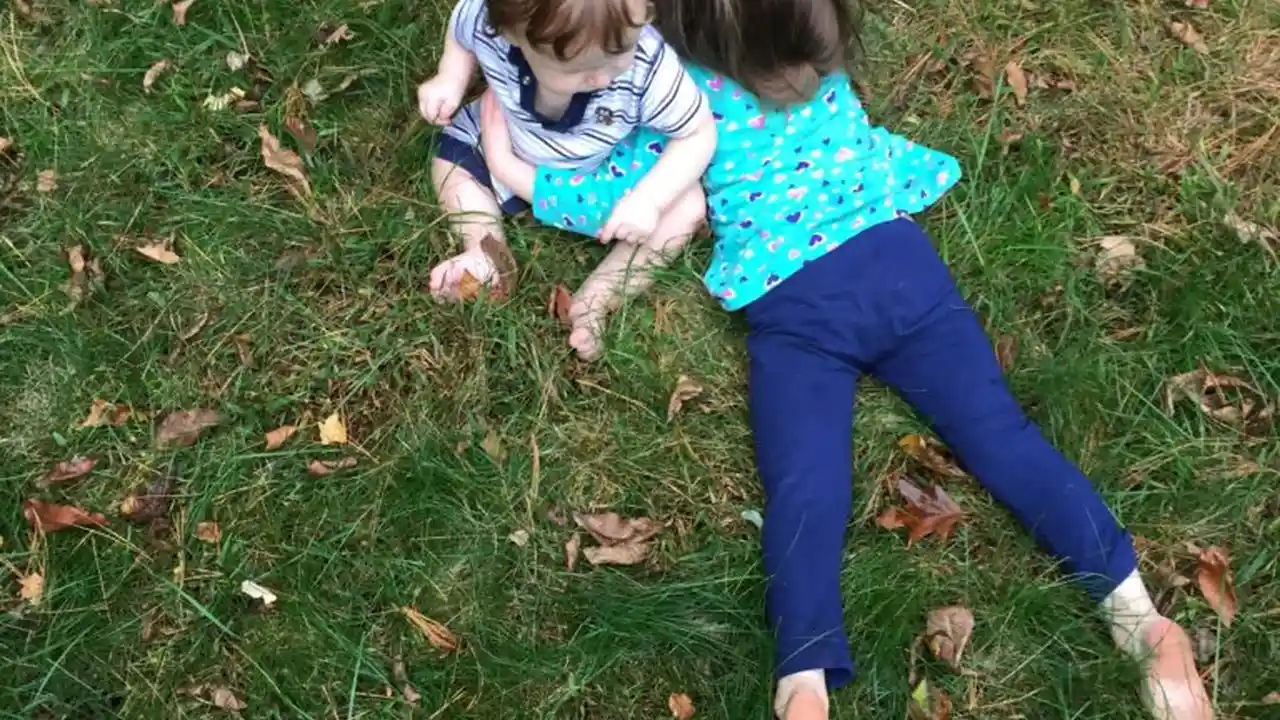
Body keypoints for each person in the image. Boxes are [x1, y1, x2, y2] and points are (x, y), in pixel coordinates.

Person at [476, 1, 1215, 718]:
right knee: (1004, 437)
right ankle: (1140, 617)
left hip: (794, 308)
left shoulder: (681, 96)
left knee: (807, 483)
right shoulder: (819, 60)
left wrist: (510, 166)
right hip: (901, 271)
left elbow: (609, 196)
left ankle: (804, 676)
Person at [417, 0, 716, 359]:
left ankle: (596, 299)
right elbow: (462, 27)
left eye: (621, 50)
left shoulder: (646, 69)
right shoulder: (487, 22)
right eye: (580, 68)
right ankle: (484, 250)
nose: (604, 77)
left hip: (600, 175)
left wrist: (648, 200)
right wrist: (450, 76)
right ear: (512, 34)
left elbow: (698, 132)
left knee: (685, 206)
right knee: (452, 166)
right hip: (504, 136)